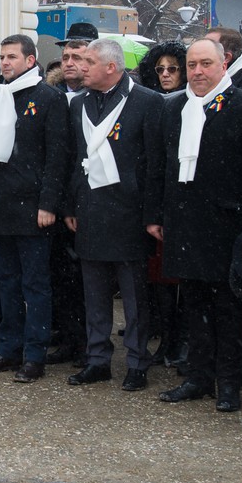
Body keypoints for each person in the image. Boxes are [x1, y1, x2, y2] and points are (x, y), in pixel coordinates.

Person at [156, 39, 242, 413]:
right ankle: (198, 376)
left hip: (227, 227)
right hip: (185, 225)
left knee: (229, 311)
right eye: (191, 65)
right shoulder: (176, 107)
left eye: (205, 64)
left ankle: (228, 383)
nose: (197, 72)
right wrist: (156, 216)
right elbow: (161, 169)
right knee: (193, 306)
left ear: (223, 65)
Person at [64, 37, 165, 391]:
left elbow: (155, 164)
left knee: (134, 296)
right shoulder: (79, 104)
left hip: (129, 212)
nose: (80, 66)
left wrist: (152, 214)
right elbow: (74, 158)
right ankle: (97, 359)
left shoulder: (148, 103)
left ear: (111, 67)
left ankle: (137, 361)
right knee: (94, 293)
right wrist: (69, 205)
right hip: (90, 210)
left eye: (88, 61)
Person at [0, 35, 68, 383]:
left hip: (33, 208)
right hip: (0, 206)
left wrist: (49, 204)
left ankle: (34, 354)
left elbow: (57, 158)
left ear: (31, 60)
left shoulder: (49, 98)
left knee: (35, 286)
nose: (5, 63)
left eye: (12, 57)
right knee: (6, 283)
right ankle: (7, 349)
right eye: (2, 57)